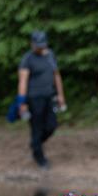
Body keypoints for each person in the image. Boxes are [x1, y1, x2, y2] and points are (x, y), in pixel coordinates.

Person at [18, 31, 66, 170]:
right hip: (34, 98)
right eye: (38, 45)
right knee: (36, 128)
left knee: (51, 125)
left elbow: (56, 75)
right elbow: (23, 81)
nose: (40, 48)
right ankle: (40, 158)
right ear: (32, 44)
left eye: (42, 45)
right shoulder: (27, 59)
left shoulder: (50, 55)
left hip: (49, 96)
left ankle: (35, 144)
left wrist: (60, 95)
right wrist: (22, 102)